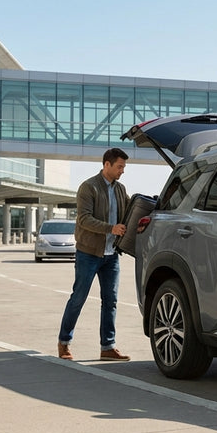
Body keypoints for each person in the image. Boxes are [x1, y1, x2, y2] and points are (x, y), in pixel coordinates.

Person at [57, 148, 132, 361]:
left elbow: (128, 214)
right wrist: (111, 228)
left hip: (111, 256)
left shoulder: (121, 189)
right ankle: (64, 343)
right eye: (119, 167)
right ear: (106, 165)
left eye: (124, 167)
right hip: (88, 253)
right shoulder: (89, 187)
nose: (122, 171)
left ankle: (107, 347)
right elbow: (84, 220)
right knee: (78, 298)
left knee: (111, 301)